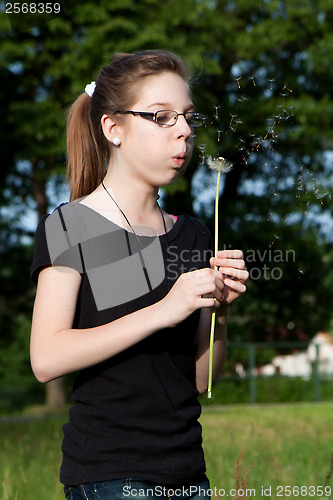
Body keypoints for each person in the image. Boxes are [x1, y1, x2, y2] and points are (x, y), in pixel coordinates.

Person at [30, 50, 248, 500]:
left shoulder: (192, 235)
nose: (184, 131)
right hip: (110, 476)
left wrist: (220, 314)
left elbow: (201, 380)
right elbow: (46, 357)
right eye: (161, 117)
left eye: (188, 117)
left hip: (189, 475)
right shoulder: (73, 225)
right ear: (113, 129)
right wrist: (164, 310)